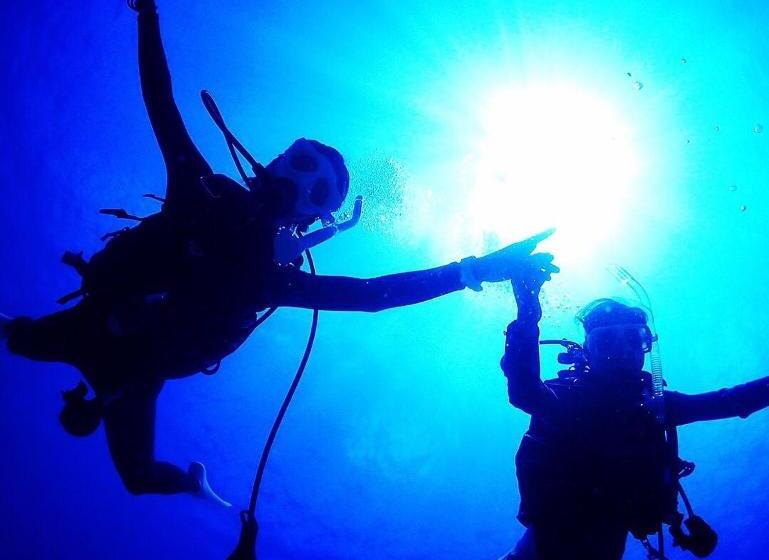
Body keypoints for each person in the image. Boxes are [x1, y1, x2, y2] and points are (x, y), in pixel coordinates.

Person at [0, 0, 553, 503]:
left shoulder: (268, 279)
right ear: (279, 157)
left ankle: (195, 487)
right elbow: (161, 102)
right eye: (301, 161)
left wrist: (474, 269)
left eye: (319, 192)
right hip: (92, 322)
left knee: (138, 477)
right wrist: (148, 13)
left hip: (133, 376)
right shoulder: (200, 189)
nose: (299, 180)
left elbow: (370, 296)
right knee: (17, 336)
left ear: (314, 217)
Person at [498, 260, 769, 560]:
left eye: (632, 339)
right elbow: (524, 390)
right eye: (606, 342)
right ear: (587, 350)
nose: (622, 351)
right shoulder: (570, 399)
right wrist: (527, 313)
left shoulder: (657, 406)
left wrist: (680, 530)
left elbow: (732, 401)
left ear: (646, 347)